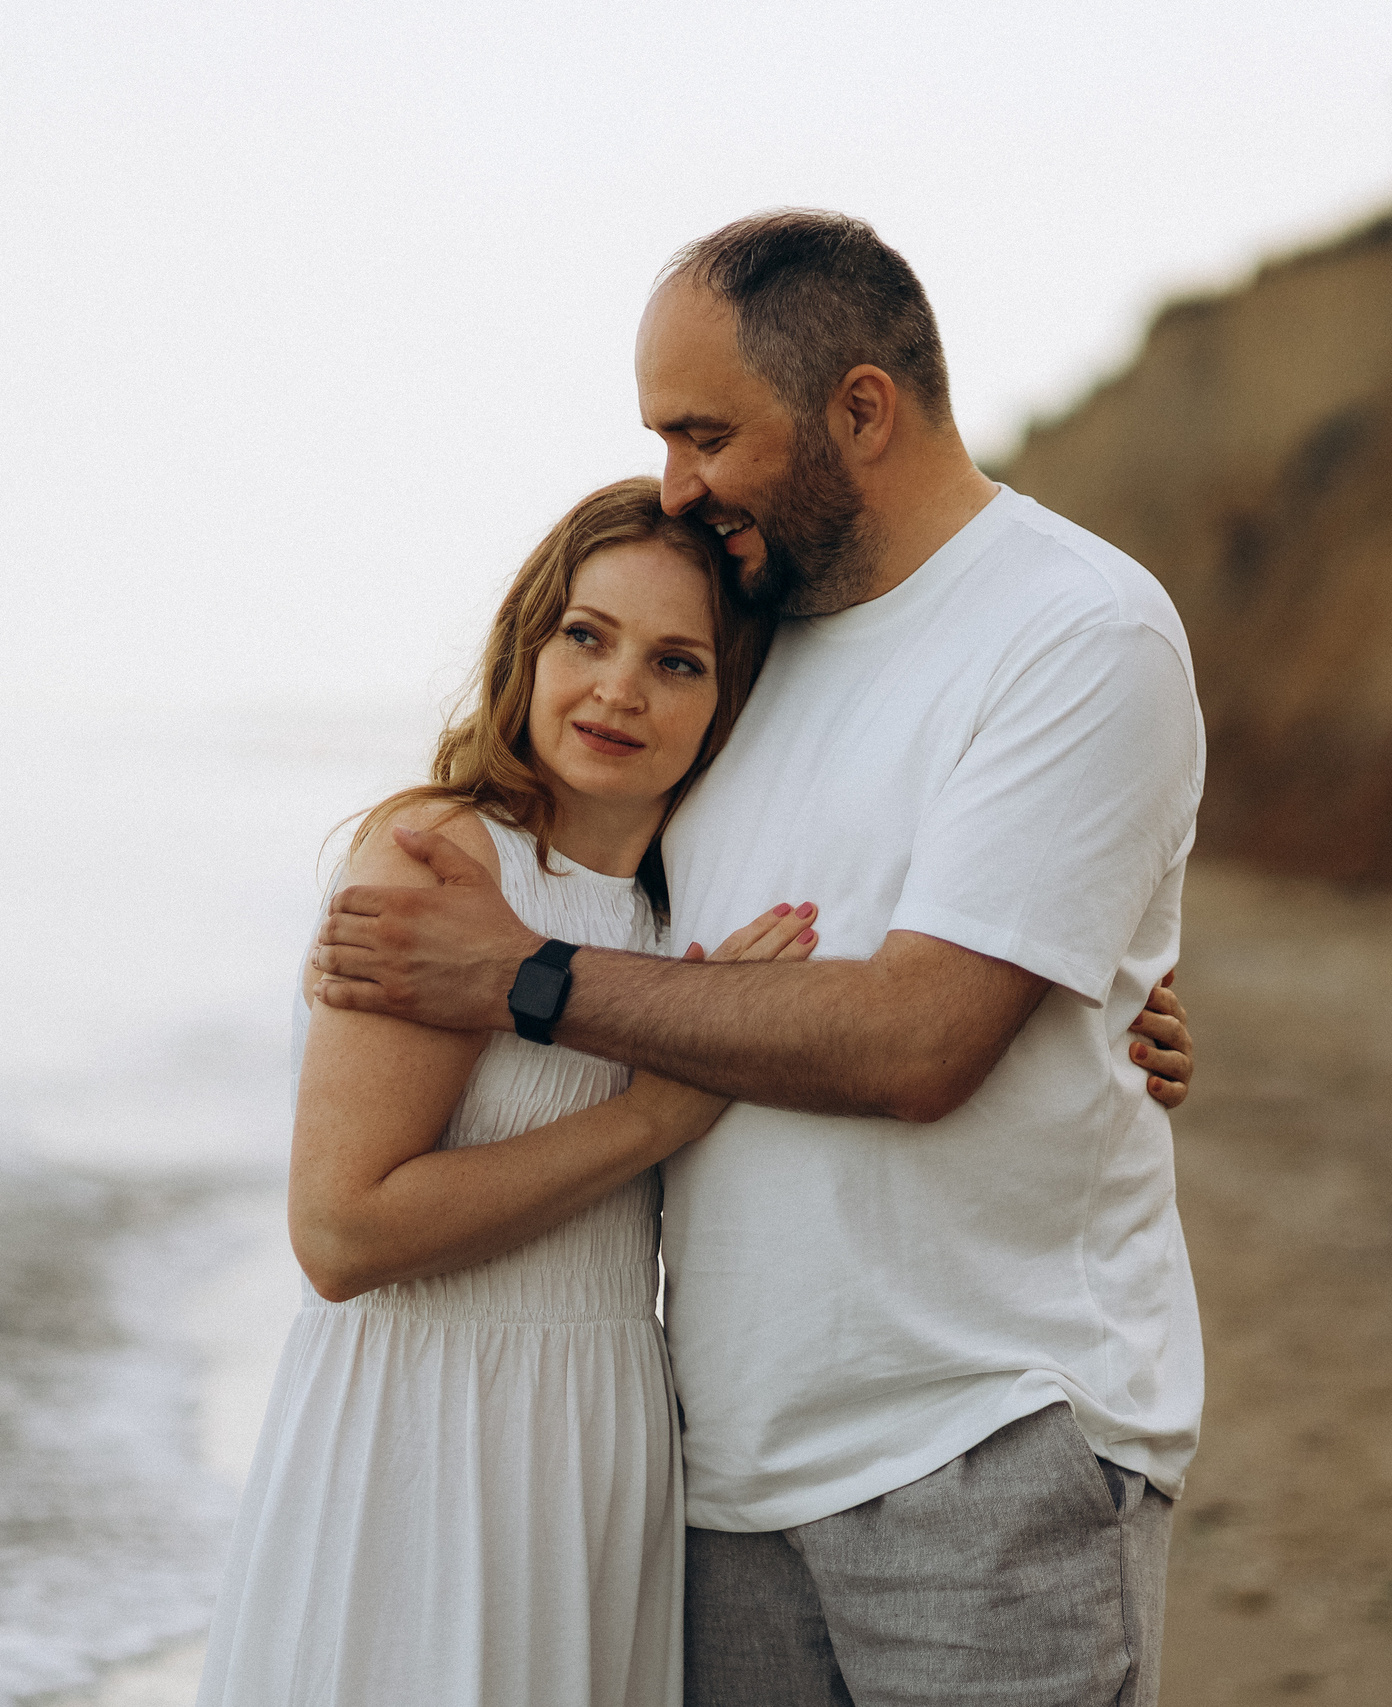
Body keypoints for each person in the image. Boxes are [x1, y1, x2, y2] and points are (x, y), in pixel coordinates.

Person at [314, 209, 1207, 1706]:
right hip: (717, 1470)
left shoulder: (1076, 627)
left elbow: (922, 1041)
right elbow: (652, 904)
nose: (676, 483)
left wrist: (519, 977)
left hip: (982, 1443)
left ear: (860, 407)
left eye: (703, 433)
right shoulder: (747, 648)